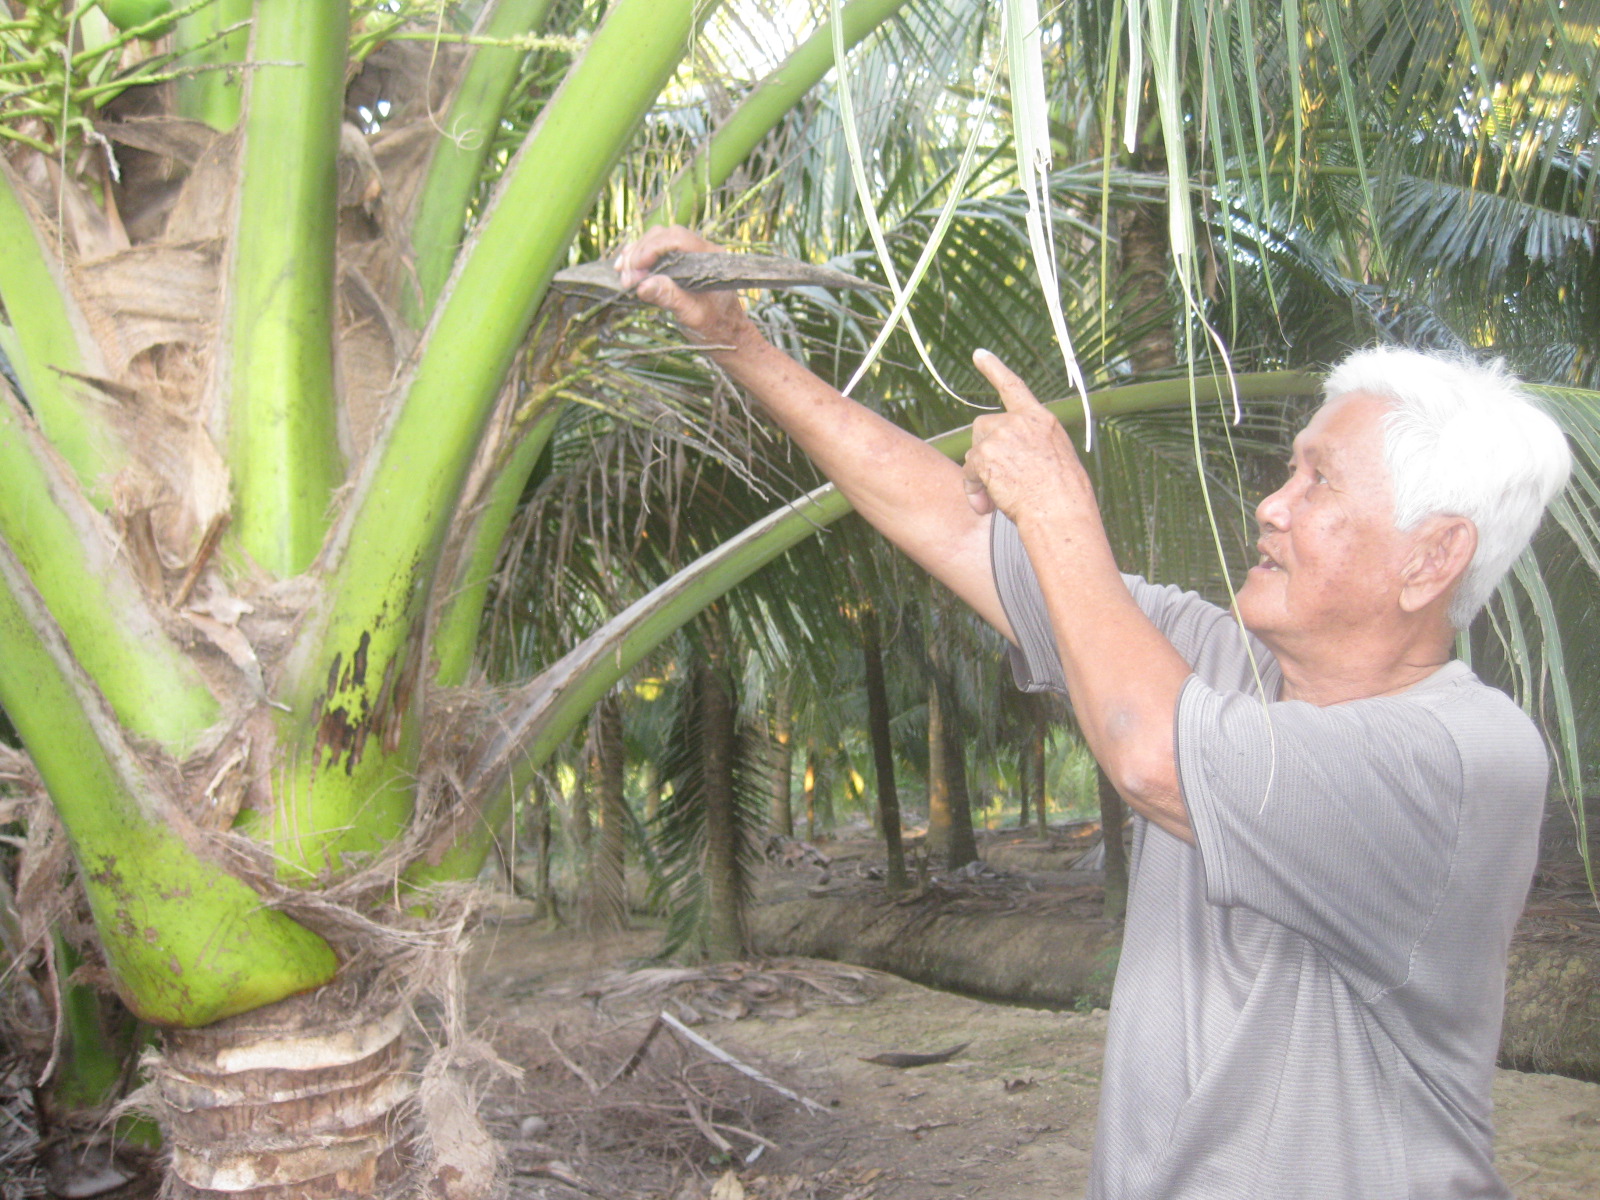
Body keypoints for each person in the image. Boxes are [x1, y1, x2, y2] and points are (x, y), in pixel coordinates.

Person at [616, 226, 1573, 1199]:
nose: (1269, 507)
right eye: (1288, 470)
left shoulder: (1464, 757)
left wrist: (1061, 504)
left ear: (1430, 557)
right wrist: (736, 341)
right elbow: (950, 519)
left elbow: (1150, 753)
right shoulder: (1206, 663)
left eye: (1317, 480)